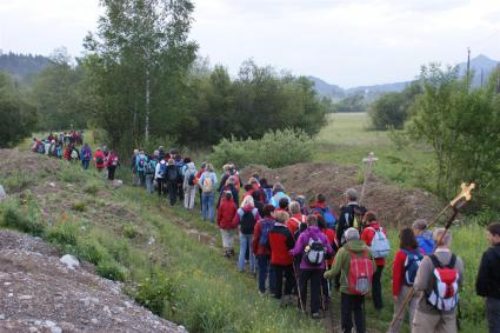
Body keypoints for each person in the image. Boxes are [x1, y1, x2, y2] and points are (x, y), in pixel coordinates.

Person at [412, 228, 464, 333]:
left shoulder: (427, 260)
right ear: (449, 241)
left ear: (434, 241)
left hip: (427, 310)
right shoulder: (457, 261)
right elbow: (460, 283)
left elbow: (420, 285)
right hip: (449, 310)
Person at [324, 228, 374, 333]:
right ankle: (360, 330)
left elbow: (335, 270)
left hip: (347, 287)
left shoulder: (343, 251)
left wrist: (325, 274)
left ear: (346, 238)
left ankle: (347, 329)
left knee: (346, 310)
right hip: (362, 285)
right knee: (358, 309)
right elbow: (374, 268)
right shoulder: (368, 250)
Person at [291, 214, 333, 318]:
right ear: (316, 223)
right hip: (319, 266)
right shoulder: (323, 236)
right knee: (315, 288)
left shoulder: (304, 235)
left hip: (305, 265)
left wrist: (291, 252)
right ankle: (315, 311)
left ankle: (301, 307)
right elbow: (330, 250)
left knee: (302, 286)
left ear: (307, 223)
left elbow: (297, 251)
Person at [389, 228, 422, 333]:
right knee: (415, 316)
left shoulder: (401, 254)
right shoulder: (418, 252)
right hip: (417, 288)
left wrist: (395, 292)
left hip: (405, 288)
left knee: (398, 315)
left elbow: (397, 275)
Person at [360, 211, 388, 310]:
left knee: (364, 279)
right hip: (381, 260)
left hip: (370, 260)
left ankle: (360, 301)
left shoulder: (367, 230)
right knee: (377, 282)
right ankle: (378, 304)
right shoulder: (382, 230)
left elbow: (362, 246)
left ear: (367, 220)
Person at [476, 222, 500, 333]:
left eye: (489, 235)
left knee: (495, 326)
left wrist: (482, 292)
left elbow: (483, 277)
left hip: (494, 297)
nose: (487, 238)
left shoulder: (490, 254)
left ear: (496, 236)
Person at [269, 210, 295, 304]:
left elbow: (269, 244)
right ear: (285, 220)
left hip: (275, 257)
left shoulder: (271, 230)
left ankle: (277, 295)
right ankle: (287, 294)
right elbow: (292, 246)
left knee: (278, 278)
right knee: (289, 277)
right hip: (286, 259)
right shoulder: (287, 232)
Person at [252, 204, 277, 295]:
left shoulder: (259, 223)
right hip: (273, 251)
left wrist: (254, 250)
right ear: (271, 212)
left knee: (262, 270)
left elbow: (255, 238)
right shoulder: (276, 224)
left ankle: (261, 290)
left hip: (261, 250)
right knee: (272, 271)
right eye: (274, 211)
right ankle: (272, 290)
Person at [233, 196, 260, 273]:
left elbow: (235, 222)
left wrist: (238, 226)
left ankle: (240, 268)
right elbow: (259, 222)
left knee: (242, 250)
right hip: (252, 233)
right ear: (252, 202)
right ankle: (252, 269)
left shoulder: (240, 210)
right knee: (252, 251)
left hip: (243, 232)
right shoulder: (255, 211)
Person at [217, 191, 238, 258]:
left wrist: (218, 222)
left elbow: (219, 215)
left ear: (225, 196)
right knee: (231, 237)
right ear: (231, 196)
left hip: (223, 224)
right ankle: (230, 250)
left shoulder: (222, 204)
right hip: (232, 225)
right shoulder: (234, 205)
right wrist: (235, 223)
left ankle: (227, 252)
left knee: (225, 237)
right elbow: (236, 215)